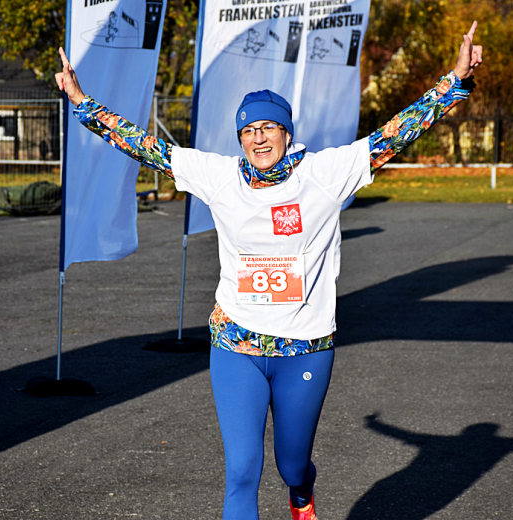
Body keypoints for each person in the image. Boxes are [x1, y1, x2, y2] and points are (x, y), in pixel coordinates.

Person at [56, 22, 483, 520]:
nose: (259, 139)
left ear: (286, 132)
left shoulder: (325, 175)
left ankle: (302, 495)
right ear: (240, 138)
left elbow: (399, 131)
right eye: (249, 130)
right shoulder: (219, 177)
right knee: (241, 471)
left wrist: (454, 82)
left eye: (268, 128)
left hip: (305, 347)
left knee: (291, 464)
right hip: (236, 342)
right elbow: (143, 146)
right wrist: (83, 102)